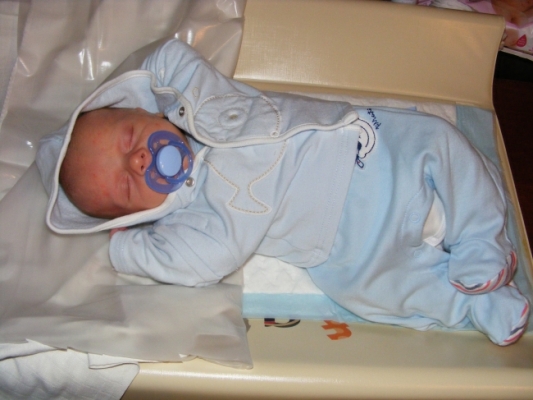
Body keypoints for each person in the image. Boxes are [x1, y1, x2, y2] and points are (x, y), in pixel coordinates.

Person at [36, 39, 529, 346]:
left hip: (366, 156)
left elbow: (169, 58)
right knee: (374, 295)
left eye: (128, 138)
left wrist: (160, 90)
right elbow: (196, 265)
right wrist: (125, 249)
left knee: (439, 141)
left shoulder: (206, 104)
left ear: (142, 109)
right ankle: (473, 306)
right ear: (133, 216)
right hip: (349, 246)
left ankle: (481, 242)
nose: (139, 161)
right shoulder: (197, 225)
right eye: (127, 184)